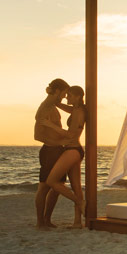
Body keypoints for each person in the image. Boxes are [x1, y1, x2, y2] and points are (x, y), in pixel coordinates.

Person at [46, 86, 87, 228]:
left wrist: (50, 126)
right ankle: (77, 222)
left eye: (69, 95)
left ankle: (80, 202)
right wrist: (51, 93)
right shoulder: (76, 109)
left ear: (77, 96)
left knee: (51, 181)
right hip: (75, 150)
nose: (66, 98)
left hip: (73, 150)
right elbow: (58, 104)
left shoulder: (79, 112)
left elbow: (72, 134)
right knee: (76, 187)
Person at [33, 78, 70, 229]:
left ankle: (47, 219)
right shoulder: (44, 108)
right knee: (44, 187)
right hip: (49, 151)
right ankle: (40, 222)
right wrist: (58, 142)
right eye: (64, 93)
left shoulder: (53, 106)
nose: (65, 97)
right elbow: (38, 136)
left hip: (58, 150)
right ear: (57, 91)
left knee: (58, 187)